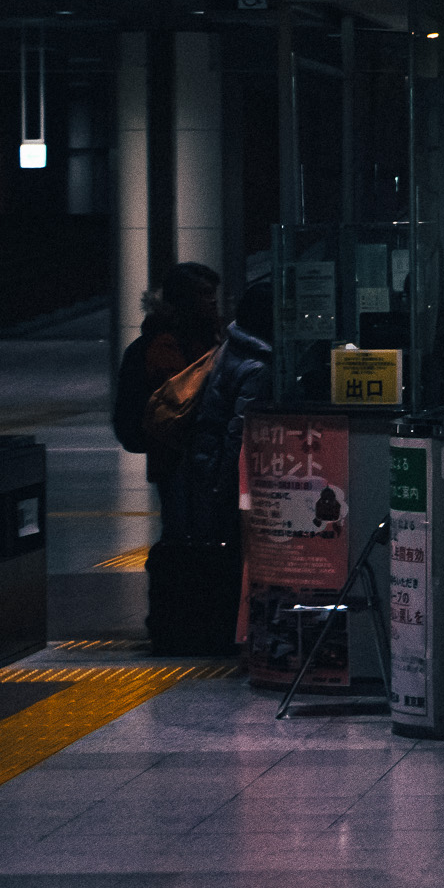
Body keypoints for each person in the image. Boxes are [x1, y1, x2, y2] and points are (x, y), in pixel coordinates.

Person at [151, 279, 273, 656]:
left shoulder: (230, 348)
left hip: (204, 467)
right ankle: (219, 631)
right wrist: (227, 487)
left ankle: (208, 629)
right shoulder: (255, 365)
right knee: (225, 556)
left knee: (211, 549)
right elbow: (239, 433)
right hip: (219, 473)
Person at [113, 261, 222, 489]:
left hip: (185, 455)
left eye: (213, 293)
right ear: (184, 300)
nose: (213, 300)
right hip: (178, 458)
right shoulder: (165, 345)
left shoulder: (202, 336)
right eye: (204, 294)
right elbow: (184, 401)